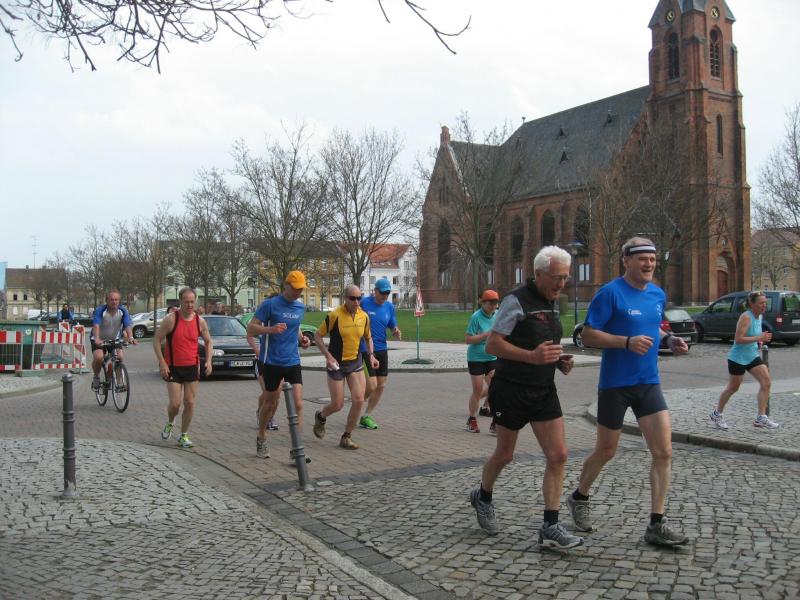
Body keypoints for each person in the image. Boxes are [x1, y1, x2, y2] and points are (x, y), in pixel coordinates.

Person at [567, 237, 689, 547]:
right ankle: (579, 496)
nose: (649, 264)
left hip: (648, 382)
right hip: (615, 385)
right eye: (642, 259)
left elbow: (651, 326)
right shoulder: (610, 293)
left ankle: (656, 524)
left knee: (663, 452)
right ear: (626, 261)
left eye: (652, 259)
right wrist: (625, 342)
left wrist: (668, 340)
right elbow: (588, 335)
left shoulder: (657, 294)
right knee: (606, 450)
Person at [469, 246, 583, 549]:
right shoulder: (515, 301)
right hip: (511, 389)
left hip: (543, 390)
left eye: (565, 277)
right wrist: (532, 357)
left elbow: (541, 343)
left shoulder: (554, 302)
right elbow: (493, 345)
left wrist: (557, 361)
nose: (561, 284)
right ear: (539, 274)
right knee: (505, 454)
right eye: (557, 277)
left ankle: (550, 526)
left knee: (558, 455)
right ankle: (483, 496)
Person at [246, 271, 311, 459]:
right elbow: (251, 328)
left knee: (298, 404)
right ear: (286, 285)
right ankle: (261, 436)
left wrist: (303, 340)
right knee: (270, 403)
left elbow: (295, 328)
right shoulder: (270, 305)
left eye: (301, 289)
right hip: (272, 361)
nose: (298, 292)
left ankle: (296, 449)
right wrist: (271, 329)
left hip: (293, 360)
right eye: (296, 288)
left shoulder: (300, 307)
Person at [313, 284, 379, 450]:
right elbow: (318, 336)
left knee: (359, 400)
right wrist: (328, 356)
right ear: (345, 298)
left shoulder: (364, 317)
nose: (356, 302)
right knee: (337, 404)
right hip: (336, 364)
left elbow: (368, 338)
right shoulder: (335, 315)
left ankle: (346, 437)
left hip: (355, 362)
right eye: (352, 298)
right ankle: (321, 417)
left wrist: (371, 355)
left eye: (359, 298)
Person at [153, 287, 213, 449]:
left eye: (192, 302)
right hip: (173, 367)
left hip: (192, 366)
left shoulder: (200, 321)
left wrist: (209, 361)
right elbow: (156, 340)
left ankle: (183, 434)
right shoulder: (171, 319)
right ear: (180, 302)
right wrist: (162, 362)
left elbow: (208, 341)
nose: (189, 305)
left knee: (190, 402)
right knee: (175, 404)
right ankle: (170, 422)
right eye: (186, 302)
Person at [710, 291, 778, 430]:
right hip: (738, 358)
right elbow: (738, 339)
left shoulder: (759, 316)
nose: (764, 306)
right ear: (751, 304)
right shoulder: (746, 317)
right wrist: (759, 338)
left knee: (766, 382)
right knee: (733, 388)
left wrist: (759, 341)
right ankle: (717, 414)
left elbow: (754, 335)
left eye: (765, 303)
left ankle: (761, 418)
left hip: (752, 356)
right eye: (761, 303)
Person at [357, 278, 402, 430]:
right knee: (372, 385)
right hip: (365, 349)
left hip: (382, 349)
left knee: (381, 385)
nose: (385, 296)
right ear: (375, 291)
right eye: (382, 293)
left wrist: (396, 331)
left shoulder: (389, 307)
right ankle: (357, 405)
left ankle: (366, 416)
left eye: (387, 293)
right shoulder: (364, 303)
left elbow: (392, 325)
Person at [465, 290, 499, 434]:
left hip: (492, 357)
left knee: (496, 389)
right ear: (483, 303)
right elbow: (468, 339)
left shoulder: (497, 315)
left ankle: (496, 422)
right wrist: (485, 335)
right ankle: (472, 419)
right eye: (490, 303)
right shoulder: (476, 317)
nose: (493, 306)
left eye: (495, 303)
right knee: (478, 390)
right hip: (476, 358)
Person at [90, 290, 136, 391]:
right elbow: (96, 325)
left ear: (119, 301)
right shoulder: (100, 311)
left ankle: (119, 383)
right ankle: (96, 377)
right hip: (99, 339)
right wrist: (97, 339)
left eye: (116, 299)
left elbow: (127, 325)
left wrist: (131, 337)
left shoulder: (123, 311)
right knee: (99, 357)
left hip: (114, 339)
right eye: (111, 299)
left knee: (120, 357)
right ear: (107, 301)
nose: (114, 302)